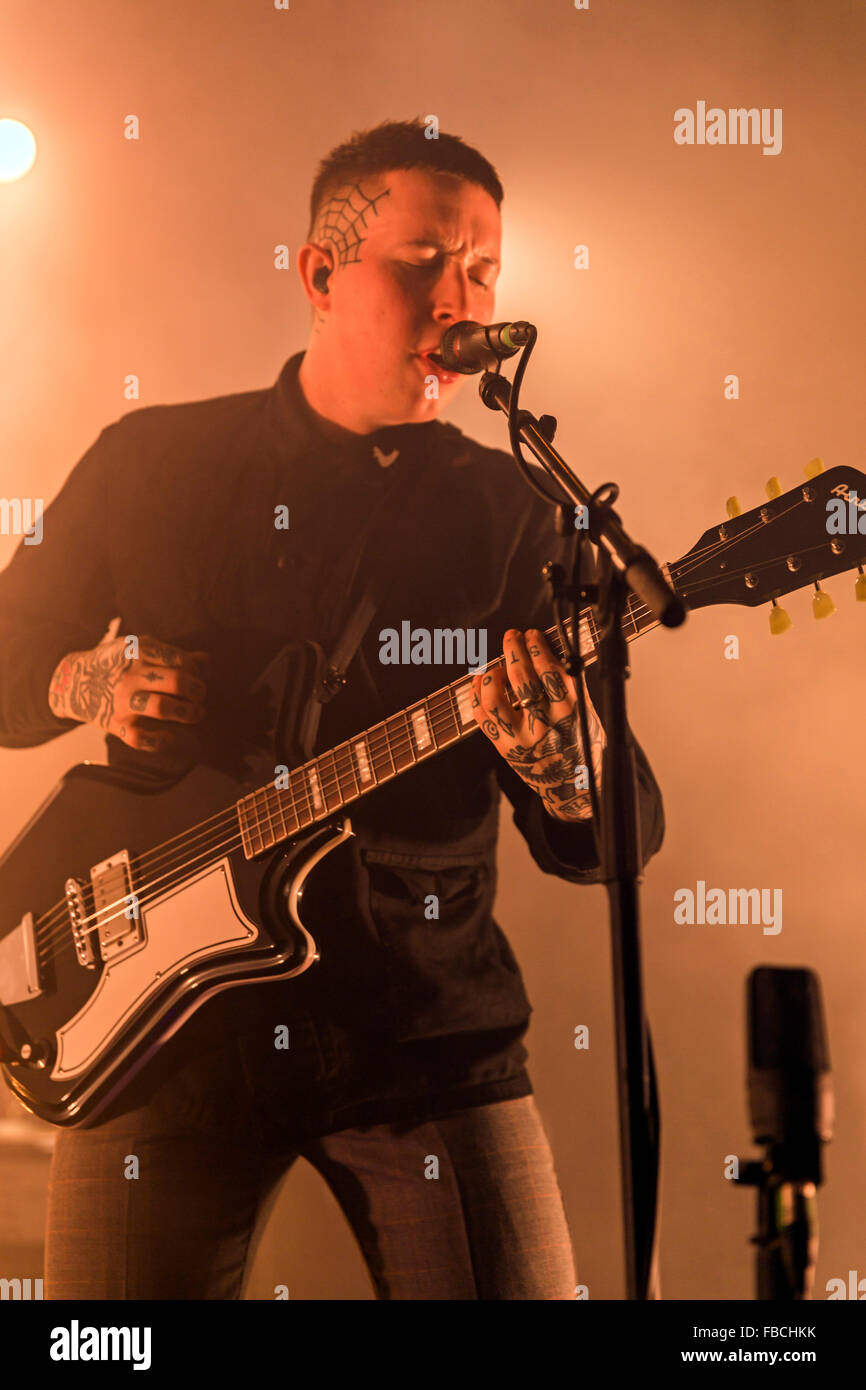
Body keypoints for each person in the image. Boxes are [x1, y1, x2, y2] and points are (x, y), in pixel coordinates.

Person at [0, 118, 664, 1300]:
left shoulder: (523, 520)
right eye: (424, 259)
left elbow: (611, 841)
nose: (460, 294)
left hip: (424, 1035)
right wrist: (89, 681)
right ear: (318, 272)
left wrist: (561, 763)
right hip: (152, 1033)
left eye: (483, 268)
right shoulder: (154, 460)